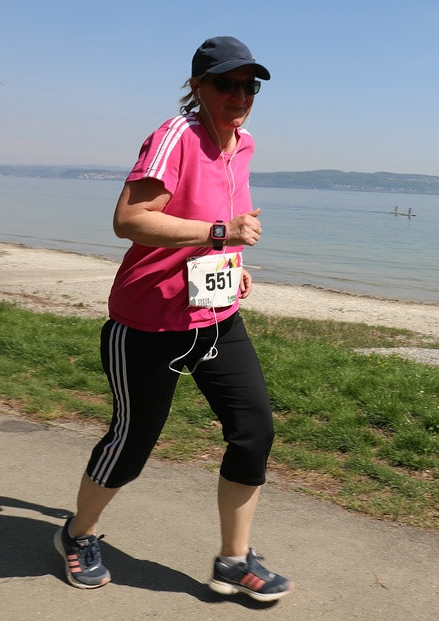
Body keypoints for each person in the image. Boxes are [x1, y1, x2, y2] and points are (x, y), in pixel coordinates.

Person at [53, 36, 293, 602]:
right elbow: (130, 219)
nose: (239, 95)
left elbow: (227, 216)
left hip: (214, 314)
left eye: (249, 86)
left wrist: (231, 265)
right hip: (148, 319)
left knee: (254, 430)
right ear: (197, 86)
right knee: (133, 441)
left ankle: (234, 560)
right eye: (225, 84)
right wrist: (220, 235)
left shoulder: (244, 144)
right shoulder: (174, 137)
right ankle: (77, 534)